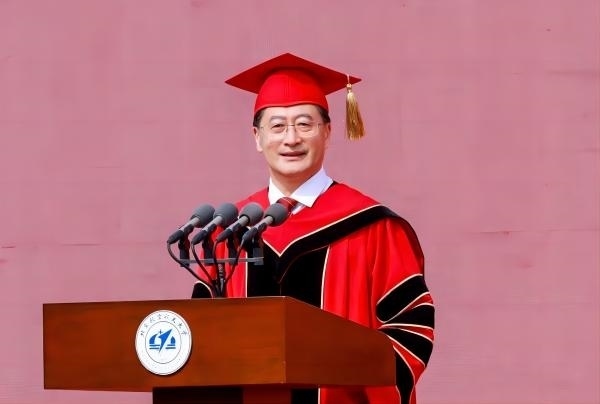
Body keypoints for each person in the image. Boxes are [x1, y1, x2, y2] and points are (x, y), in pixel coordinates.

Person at [191, 53, 434, 404]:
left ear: (328, 133)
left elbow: (411, 327)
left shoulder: (374, 228)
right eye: (277, 126)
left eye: (305, 124)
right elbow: (201, 336)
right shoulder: (228, 232)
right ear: (257, 137)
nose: (291, 139)